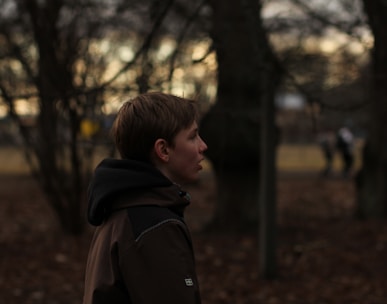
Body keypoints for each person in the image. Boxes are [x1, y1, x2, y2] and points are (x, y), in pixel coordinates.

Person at [83, 92, 207, 304]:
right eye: (192, 136)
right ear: (163, 149)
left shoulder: (122, 208)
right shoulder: (153, 226)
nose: (203, 145)